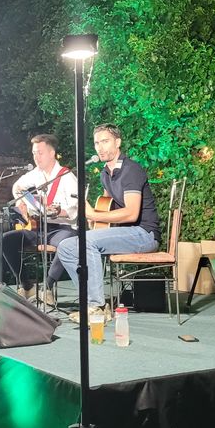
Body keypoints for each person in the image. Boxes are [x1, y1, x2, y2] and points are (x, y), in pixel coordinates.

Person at [56, 123, 160, 322]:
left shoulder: (131, 170)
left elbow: (131, 213)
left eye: (105, 141)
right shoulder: (105, 173)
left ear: (118, 142)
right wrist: (95, 220)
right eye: (97, 143)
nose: (100, 147)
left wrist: (94, 215)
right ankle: (90, 302)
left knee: (87, 241)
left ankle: (98, 307)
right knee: (66, 247)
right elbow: (107, 206)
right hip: (125, 233)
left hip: (144, 234)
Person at [1, 134, 78, 301]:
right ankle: (27, 286)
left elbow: (75, 208)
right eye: (34, 153)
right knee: (6, 240)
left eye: (40, 153)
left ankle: (47, 287)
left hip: (62, 228)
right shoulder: (36, 174)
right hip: (40, 227)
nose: (36, 157)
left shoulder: (66, 176)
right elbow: (17, 187)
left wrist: (58, 212)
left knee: (67, 244)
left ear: (52, 153)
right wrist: (21, 202)